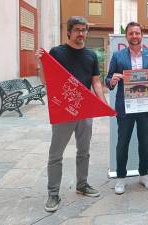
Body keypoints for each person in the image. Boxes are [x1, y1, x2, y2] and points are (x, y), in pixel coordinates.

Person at [36, 16, 106, 212]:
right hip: (63, 111)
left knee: (84, 151)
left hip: (85, 111)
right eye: (77, 30)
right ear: (69, 32)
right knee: (56, 154)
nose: (81, 33)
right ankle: (53, 193)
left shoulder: (91, 55)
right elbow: (46, 81)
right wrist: (41, 62)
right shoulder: (57, 52)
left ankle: (82, 185)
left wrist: (102, 103)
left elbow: (96, 81)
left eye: (84, 30)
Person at [105, 21, 148, 195]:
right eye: (131, 34)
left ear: (142, 35)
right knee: (122, 142)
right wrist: (112, 80)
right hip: (125, 107)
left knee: (145, 142)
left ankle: (144, 175)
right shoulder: (118, 56)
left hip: (145, 107)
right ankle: (121, 178)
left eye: (137, 33)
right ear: (127, 36)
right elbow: (108, 80)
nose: (135, 36)